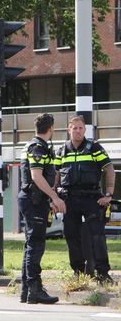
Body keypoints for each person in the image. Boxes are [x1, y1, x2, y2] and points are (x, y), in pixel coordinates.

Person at [56, 115, 115, 284]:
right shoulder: (62, 151)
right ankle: (79, 272)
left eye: (81, 128)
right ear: (69, 130)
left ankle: (103, 273)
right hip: (70, 199)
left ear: (85, 130)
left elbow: (109, 169)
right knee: (71, 235)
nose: (78, 131)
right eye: (74, 128)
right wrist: (54, 196)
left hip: (92, 198)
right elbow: (56, 174)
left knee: (97, 236)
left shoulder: (94, 147)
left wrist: (108, 195)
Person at [17, 113, 66, 304]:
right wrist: (54, 197)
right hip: (33, 200)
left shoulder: (31, 145)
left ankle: (26, 290)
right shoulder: (38, 147)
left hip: (33, 199)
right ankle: (34, 290)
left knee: (31, 244)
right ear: (51, 128)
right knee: (36, 245)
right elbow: (37, 176)